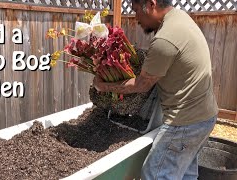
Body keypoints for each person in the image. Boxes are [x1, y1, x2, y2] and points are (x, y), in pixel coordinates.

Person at [93, 0, 219, 179]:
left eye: (136, 10)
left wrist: (102, 86)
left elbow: (141, 85)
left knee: (155, 174)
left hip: (185, 123)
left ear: (151, 4)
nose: (136, 18)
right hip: (205, 117)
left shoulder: (165, 38)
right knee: (184, 174)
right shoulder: (181, 18)